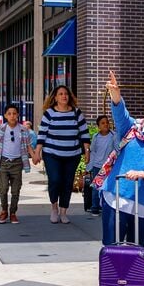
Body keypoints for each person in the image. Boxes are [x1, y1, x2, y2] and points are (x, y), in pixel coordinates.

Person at [93, 70, 144, 246]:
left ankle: (131, 276)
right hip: (115, 196)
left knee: (136, 253)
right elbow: (121, 115)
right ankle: (113, 275)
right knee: (112, 249)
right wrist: (116, 95)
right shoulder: (129, 128)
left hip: (143, 204)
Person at [35, 85, 91, 224]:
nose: (64, 96)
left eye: (66, 94)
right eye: (60, 94)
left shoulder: (76, 113)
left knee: (67, 183)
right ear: (55, 98)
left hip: (72, 155)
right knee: (54, 180)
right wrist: (37, 152)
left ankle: (63, 211)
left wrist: (87, 151)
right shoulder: (49, 113)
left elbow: (84, 134)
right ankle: (54, 208)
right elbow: (42, 135)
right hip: (52, 153)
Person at [0, 104, 38, 224]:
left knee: (16, 190)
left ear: (18, 115)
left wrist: (34, 156)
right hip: (4, 162)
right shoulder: (1, 129)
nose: (12, 116)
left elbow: (28, 146)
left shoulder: (23, 129)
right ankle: (4, 210)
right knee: (3, 188)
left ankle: (13, 212)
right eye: (9, 113)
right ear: (5, 115)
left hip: (17, 163)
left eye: (14, 113)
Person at [85, 114, 116, 215]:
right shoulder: (96, 137)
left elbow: (117, 149)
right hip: (97, 166)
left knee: (108, 187)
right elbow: (92, 151)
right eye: (103, 123)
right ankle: (95, 208)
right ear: (98, 126)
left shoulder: (113, 136)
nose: (106, 124)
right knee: (96, 188)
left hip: (109, 166)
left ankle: (107, 207)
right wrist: (89, 166)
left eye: (107, 122)